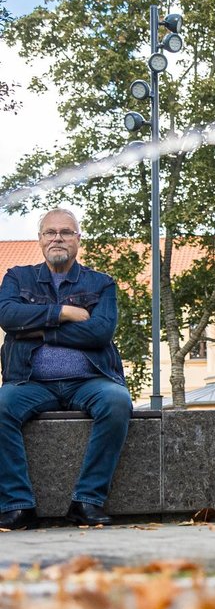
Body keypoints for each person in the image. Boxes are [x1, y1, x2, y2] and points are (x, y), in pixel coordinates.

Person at [0, 208, 132, 530]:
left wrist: (39, 328)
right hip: (31, 382)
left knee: (117, 401)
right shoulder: (18, 277)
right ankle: (18, 506)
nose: (57, 238)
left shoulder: (101, 284)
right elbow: (7, 316)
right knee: (0, 406)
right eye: (50, 232)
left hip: (90, 380)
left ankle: (87, 500)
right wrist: (65, 312)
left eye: (65, 232)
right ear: (40, 239)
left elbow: (100, 332)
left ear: (77, 239)